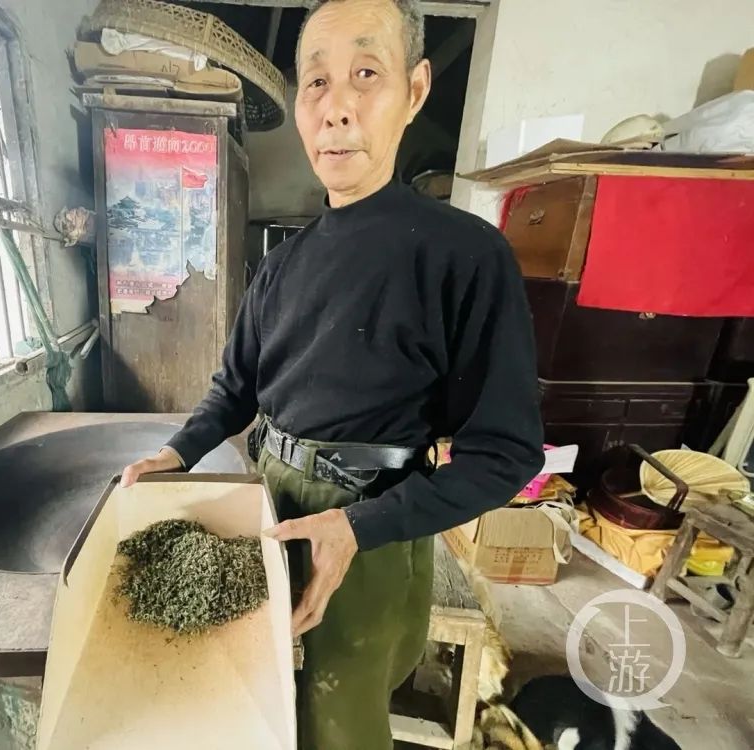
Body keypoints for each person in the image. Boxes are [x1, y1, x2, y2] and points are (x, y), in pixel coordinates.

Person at [120, 0, 545, 747]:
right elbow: (236, 388)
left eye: (366, 74)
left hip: (366, 521)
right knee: (253, 697)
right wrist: (177, 452)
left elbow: (505, 454)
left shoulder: (465, 256)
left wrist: (357, 526)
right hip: (269, 501)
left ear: (414, 91)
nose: (337, 107)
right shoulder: (282, 265)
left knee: (337, 719)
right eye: (316, 82)